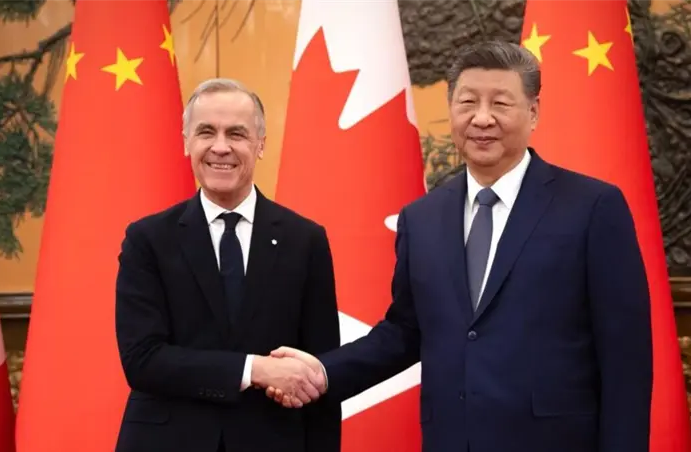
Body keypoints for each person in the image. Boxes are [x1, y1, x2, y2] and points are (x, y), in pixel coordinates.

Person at [267, 41, 653, 452]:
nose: (482, 118)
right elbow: (406, 331)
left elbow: (625, 356)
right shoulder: (422, 218)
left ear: (533, 112)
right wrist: (323, 372)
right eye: (468, 102)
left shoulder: (592, 207)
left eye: (500, 103)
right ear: (451, 109)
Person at [113, 78, 341, 452]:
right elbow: (143, 359)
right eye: (206, 132)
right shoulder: (148, 239)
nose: (221, 147)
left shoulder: (305, 240)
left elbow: (319, 373)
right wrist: (255, 369)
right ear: (187, 142)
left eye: (237, 133)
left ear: (260, 144)